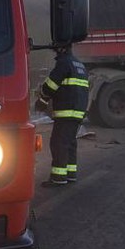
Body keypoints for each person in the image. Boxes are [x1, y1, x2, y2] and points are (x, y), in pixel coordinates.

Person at [37, 44, 89, 187]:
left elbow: (51, 85)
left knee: (58, 143)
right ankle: (70, 174)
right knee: (70, 142)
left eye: (56, 49)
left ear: (62, 49)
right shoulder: (79, 65)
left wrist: (42, 98)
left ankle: (58, 178)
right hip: (78, 111)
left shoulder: (64, 63)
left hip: (66, 111)